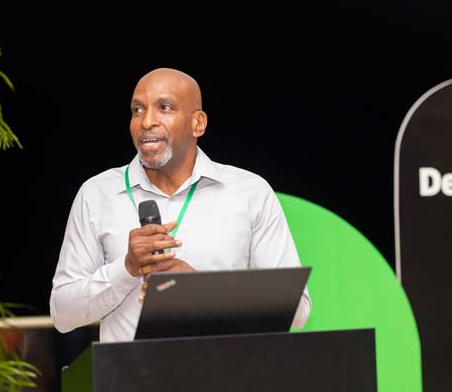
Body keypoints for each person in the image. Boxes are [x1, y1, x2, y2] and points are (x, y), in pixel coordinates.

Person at [50, 68, 311, 342]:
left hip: (223, 368)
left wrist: (203, 290)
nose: (146, 121)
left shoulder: (250, 192)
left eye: (164, 107)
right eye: (137, 110)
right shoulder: (96, 194)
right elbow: (62, 314)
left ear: (198, 123)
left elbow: (298, 310)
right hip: (130, 369)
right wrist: (127, 268)